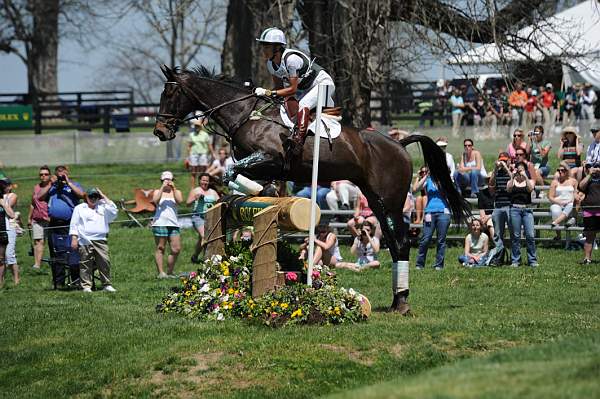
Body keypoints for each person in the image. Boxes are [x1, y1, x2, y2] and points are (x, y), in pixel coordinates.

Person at [255, 27, 335, 155]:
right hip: (306, 88)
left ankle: (298, 141)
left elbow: (292, 89)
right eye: (263, 46)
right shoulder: (271, 64)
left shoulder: (291, 60)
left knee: (303, 105)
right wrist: (266, 96)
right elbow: (280, 89)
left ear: (277, 47)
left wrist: (268, 92)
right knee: (283, 105)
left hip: (323, 84)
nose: (263, 50)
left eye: (267, 47)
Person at [38, 165, 84, 287]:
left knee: (73, 251)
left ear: (67, 173)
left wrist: (67, 182)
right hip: (54, 224)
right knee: (56, 253)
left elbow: (81, 195)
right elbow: (39, 197)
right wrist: (50, 184)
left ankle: (75, 280)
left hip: (70, 224)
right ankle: (59, 282)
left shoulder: (74, 185)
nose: (61, 174)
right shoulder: (52, 187)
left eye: (63, 172)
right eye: (58, 172)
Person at [69, 188, 118, 293]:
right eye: (91, 196)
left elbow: (114, 210)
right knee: (85, 263)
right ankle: (86, 286)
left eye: (95, 196)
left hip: (100, 240)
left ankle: (106, 284)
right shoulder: (79, 208)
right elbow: (74, 224)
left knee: (105, 262)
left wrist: (103, 195)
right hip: (84, 239)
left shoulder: (103, 207)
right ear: (86, 197)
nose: (93, 198)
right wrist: (74, 238)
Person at [414, 168, 451, 270]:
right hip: (430, 211)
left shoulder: (446, 180)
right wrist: (425, 176)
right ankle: (419, 264)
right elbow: (415, 189)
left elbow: (450, 192)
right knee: (426, 238)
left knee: (441, 240)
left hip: (444, 212)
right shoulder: (428, 180)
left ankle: (439, 265)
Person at [152, 171, 183, 278]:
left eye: (169, 179)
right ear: (162, 180)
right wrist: (162, 188)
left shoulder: (176, 191)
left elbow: (179, 201)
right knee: (161, 247)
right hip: (160, 223)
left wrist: (173, 189)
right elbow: (155, 200)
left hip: (173, 223)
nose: (168, 181)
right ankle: (161, 273)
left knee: (176, 249)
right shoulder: (157, 191)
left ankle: (170, 271)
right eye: (165, 179)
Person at [507, 161, 539, 267]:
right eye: (518, 169)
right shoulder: (512, 180)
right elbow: (509, 189)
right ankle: (515, 260)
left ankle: (532, 260)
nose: (520, 171)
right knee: (515, 236)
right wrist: (512, 176)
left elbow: (530, 189)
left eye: (522, 169)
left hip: (527, 210)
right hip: (514, 210)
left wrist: (525, 176)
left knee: (530, 235)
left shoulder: (529, 181)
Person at [187, 173, 220, 264]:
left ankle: (195, 256)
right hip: (198, 217)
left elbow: (219, 202)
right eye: (203, 180)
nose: (205, 182)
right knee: (204, 236)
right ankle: (207, 259)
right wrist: (195, 198)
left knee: (202, 239)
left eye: (207, 180)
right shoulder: (195, 191)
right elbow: (188, 203)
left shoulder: (213, 192)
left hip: (210, 218)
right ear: (199, 181)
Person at [488, 152, 513, 266]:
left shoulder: (512, 171)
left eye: (504, 160)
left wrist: (506, 167)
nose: (502, 162)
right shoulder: (496, 173)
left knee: (513, 233)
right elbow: (491, 186)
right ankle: (499, 257)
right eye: (501, 160)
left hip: (509, 206)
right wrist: (495, 168)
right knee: (498, 235)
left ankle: (514, 258)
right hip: (498, 206)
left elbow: (512, 180)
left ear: (508, 160)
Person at [29, 165, 51, 271]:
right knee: (38, 241)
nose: (43, 176)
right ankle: (37, 264)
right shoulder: (36, 187)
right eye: (41, 174)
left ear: (49, 175)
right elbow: (33, 203)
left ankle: (54, 262)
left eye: (46, 174)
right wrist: (29, 217)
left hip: (49, 218)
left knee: (49, 241)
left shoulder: (53, 187)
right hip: (37, 219)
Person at [548, 162, 578, 239]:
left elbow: (575, 193)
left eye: (563, 170)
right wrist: (560, 202)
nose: (560, 172)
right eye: (559, 170)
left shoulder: (573, 181)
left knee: (571, 205)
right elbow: (550, 197)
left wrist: (572, 199)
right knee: (555, 211)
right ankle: (558, 235)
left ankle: (555, 222)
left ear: (567, 171)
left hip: (570, 203)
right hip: (557, 202)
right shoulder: (555, 182)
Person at [579, 160, 600, 264]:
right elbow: (581, 186)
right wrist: (589, 175)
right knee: (590, 236)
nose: (595, 168)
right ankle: (587, 258)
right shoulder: (588, 179)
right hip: (589, 211)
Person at [187, 116, 216, 188]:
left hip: (203, 154)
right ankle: (192, 188)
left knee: (203, 172)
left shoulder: (205, 134)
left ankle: (202, 186)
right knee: (193, 172)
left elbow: (209, 145)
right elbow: (189, 146)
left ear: (200, 126)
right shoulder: (191, 134)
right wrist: (188, 156)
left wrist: (213, 154)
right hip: (194, 154)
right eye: (196, 126)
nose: (197, 127)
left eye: (198, 126)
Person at [2, 178, 20, 285]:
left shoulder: (12, 196)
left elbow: (10, 212)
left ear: (9, 186)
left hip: (9, 228)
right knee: (1, 257)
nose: (3, 187)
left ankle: (16, 280)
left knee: (9, 255)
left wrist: (3, 202)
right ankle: (1, 280)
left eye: (5, 185)